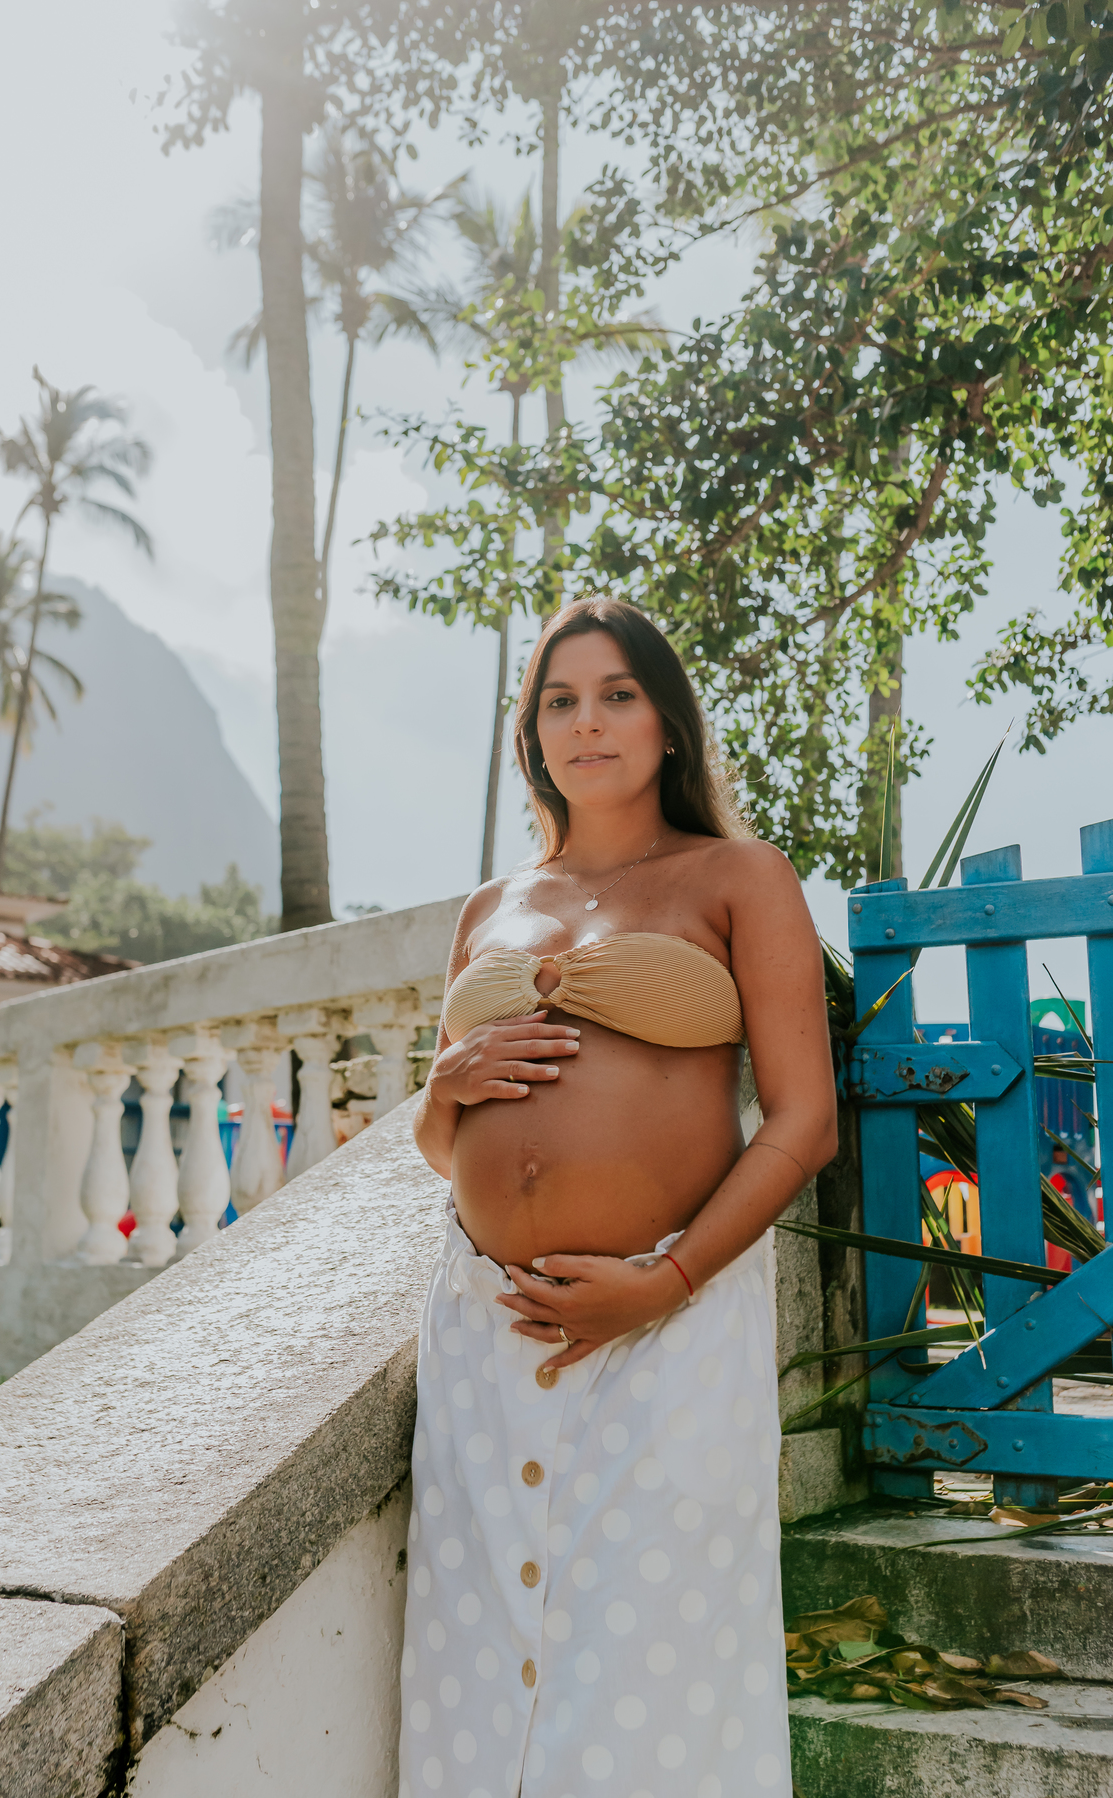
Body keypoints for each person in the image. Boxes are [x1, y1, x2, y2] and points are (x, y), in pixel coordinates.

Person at [399, 597, 837, 1798]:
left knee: (648, 1664)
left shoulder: (738, 875)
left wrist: (666, 1279)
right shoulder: (492, 910)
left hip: (674, 1328)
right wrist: (441, 1092)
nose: (584, 722)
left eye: (615, 694)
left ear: (667, 723)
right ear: (531, 733)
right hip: (487, 1331)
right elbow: (446, 1146)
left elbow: (804, 1120)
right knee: (480, 1668)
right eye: (557, 700)